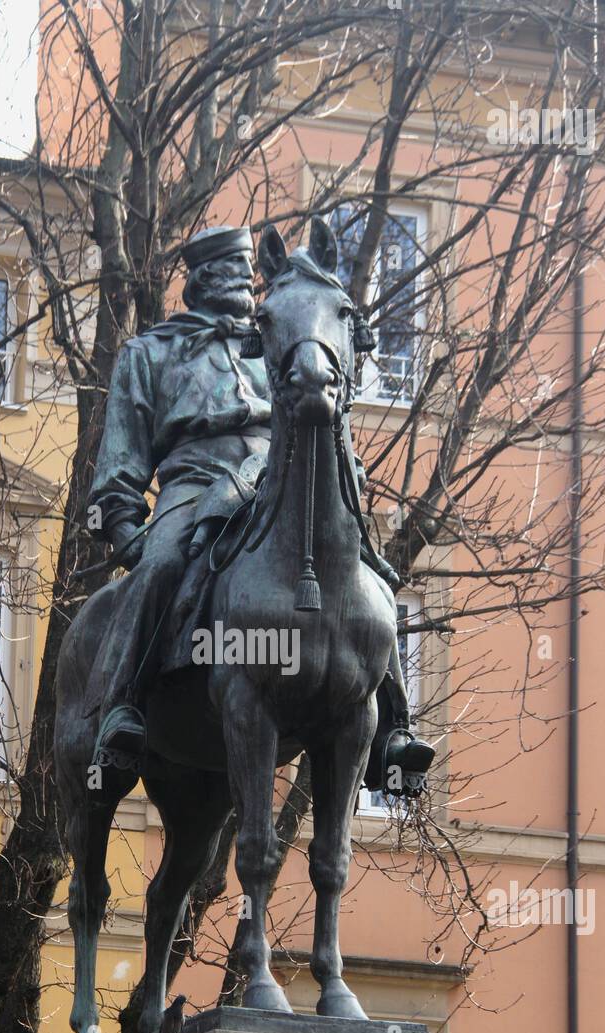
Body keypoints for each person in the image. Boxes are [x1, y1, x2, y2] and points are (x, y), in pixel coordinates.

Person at [84, 224, 433, 793]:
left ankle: (393, 726)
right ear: (196, 281)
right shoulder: (150, 353)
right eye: (221, 271)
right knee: (164, 564)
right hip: (195, 481)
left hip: (278, 474)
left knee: (364, 572)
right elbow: (119, 469)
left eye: (243, 273)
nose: (238, 284)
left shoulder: (282, 333)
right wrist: (126, 532)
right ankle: (121, 708)